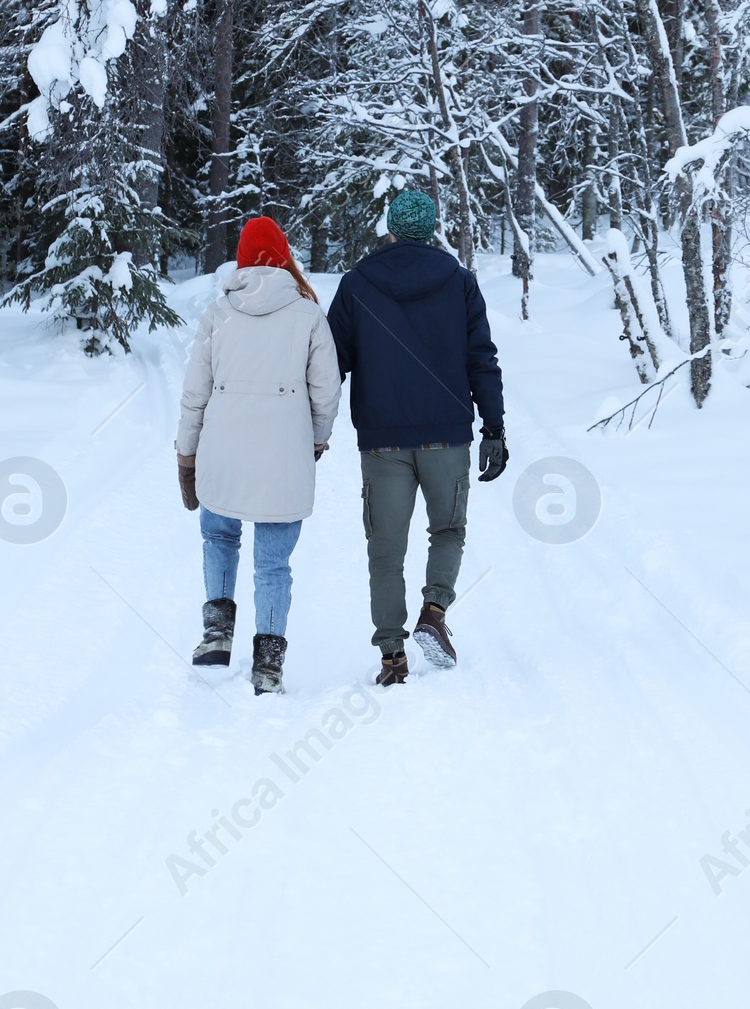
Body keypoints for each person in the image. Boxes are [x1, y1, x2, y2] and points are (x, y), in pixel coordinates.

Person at [326, 190, 507, 685]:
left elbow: (330, 365)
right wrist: (493, 427)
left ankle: (392, 657)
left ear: (390, 228)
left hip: (381, 440)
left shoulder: (357, 283)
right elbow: (481, 359)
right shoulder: (459, 282)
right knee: (447, 530)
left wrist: (312, 425)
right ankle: (434, 609)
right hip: (446, 437)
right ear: (430, 229)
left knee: (385, 547)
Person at [175, 216, 341, 695]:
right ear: (283, 255)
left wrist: (187, 454)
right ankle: (267, 665)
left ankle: (216, 635)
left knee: (219, 535)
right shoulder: (308, 313)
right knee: (273, 563)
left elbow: (194, 393)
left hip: (221, 450)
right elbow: (326, 391)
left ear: (243, 259)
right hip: (283, 455)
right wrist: (313, 439)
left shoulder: (217, 313)